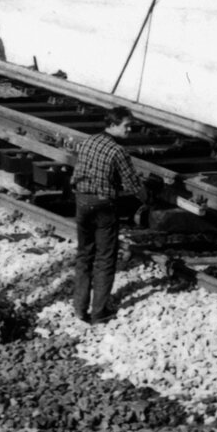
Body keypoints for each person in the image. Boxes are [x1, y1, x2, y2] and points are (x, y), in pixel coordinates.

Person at [68, 107, 149, 324]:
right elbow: (132, 184)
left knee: (84, 254)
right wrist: (146, 198)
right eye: (126, 126)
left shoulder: (88, 141)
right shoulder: (118, 151)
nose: (130, 130)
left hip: (82, 200)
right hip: (104, 205)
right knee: (105, 258)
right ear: (112, 125)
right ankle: (99, 312)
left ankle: (79, 308)